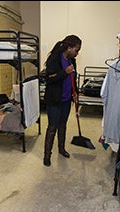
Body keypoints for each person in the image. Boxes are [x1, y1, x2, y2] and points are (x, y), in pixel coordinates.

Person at [42, 35, 82, 166]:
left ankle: (61, 149)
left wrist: (75, 92)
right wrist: (64, 72)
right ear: (69, 47)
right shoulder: (54, 58)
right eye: (76, 50)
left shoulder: (72, 60)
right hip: (54, 99)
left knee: (62, 125)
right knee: (52, 127)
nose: (77, 53)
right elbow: (49, 78)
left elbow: (73, 78)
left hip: (66, 99)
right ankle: (47, 156)